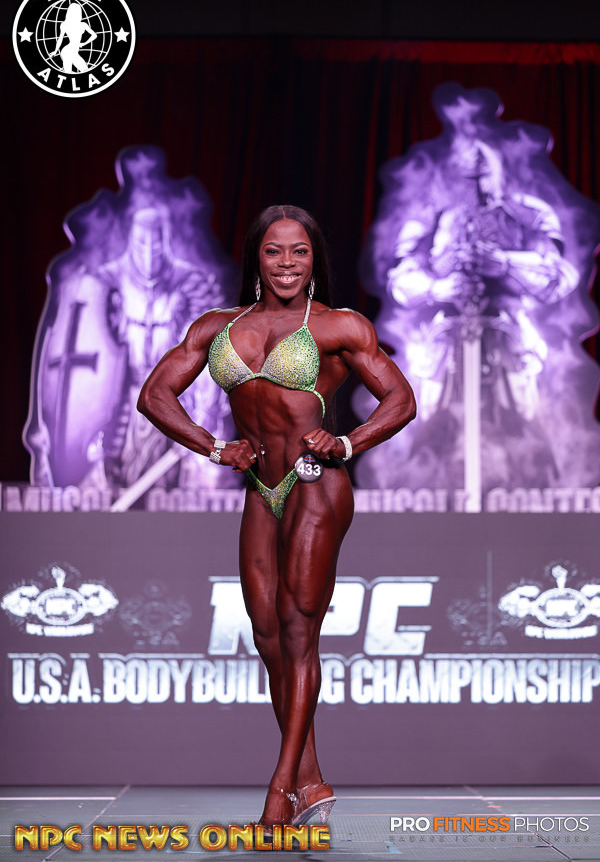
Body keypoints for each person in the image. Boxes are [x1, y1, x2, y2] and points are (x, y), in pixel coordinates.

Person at [138, 205, 416, 829]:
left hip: (317, 483)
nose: (286, 263)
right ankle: (311, 781)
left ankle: (280, 790)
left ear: (314, 260)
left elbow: (401, 399)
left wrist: (346, 442)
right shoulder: (218, 326)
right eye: (274, 251)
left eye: (299, 251)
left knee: (297, 633)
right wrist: (215, 447)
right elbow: (154, 394)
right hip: (261, 487)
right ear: (256, 259)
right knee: (267, 636)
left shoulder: (339, 325)